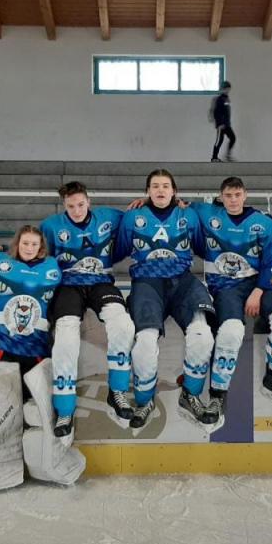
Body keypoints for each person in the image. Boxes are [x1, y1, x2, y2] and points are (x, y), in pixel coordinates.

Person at [114, 169, 216, 429]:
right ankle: (144, 401)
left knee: (203, 335)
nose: (160, 190)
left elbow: (202, 248)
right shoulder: (133, 217)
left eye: (165, 186)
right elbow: (118, 251)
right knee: (145, 343)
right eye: (155, 186)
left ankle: (190, 394)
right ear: (147, 191)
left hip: (182, 280)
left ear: (174, 191)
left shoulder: (188, 215)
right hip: (147, 282)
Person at [192, 177, 272, 425]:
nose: (233, 200)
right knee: (231, 332)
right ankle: (218, 394)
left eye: (237, 194)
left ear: (245, 195)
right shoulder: (206, 213)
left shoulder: (263, 222)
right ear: (221, 197)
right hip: (225, 287)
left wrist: (258, 291)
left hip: (258, 285)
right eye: (228, 195)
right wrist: (144, 200)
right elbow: (170, 205)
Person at [38, 182, 135, 437]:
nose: (77, 210)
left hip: (101, 282)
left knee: (123, 324)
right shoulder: (51, 226)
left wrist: (146, 202)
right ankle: (65, 409)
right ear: (64, 205)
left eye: (81, 204)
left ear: (88, 201)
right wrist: (1, 250)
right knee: (66, 336)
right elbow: (31, 249)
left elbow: (139, 220)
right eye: (71, 206)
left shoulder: (109, 217)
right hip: (68, 286)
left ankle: (117, 391)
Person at [0, 225, 61, 400]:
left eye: (34, 244)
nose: (29, 248)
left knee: (32, 402)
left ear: (41, 246)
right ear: (17, 243)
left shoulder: (52, 268)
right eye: (25, 243)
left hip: (33, 346)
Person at [211, 81, 236, 163]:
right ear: (223, 89)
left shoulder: (227, 99)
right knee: (219, 141)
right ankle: (214, 157)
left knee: (233, 138)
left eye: (229, 89)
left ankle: (228, 155)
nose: (228, 90)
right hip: (221, 125)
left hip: (227, 124)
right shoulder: (219, 99)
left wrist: (227, 122)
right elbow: (216, 112)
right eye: (226, 89)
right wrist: (220, 123)